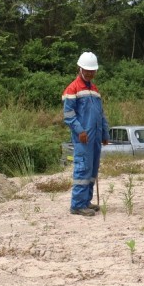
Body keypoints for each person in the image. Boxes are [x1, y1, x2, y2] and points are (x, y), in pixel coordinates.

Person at [63, 52, 110, 216]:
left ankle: (86, 201)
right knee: (82, 169)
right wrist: (79, 130)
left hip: (95, 137)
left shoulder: (95, 90)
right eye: (87, 70)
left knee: (92, 170)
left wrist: (105, 133)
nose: (90, 73)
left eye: (93, 70)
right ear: (80, 68)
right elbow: (68, 115)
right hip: (82, 138)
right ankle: (77, 205)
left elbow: (101, 114)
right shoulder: (72, 89)